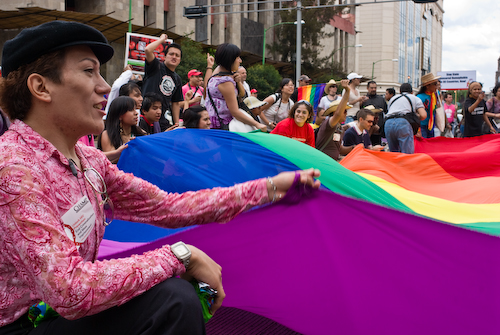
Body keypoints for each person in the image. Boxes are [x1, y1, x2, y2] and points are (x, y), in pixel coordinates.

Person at [0, 21, 321, 334]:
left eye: (100, 72)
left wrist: (270, 187)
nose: (104, 86)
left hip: (59, 315)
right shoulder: (15, 168)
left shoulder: (88, 161)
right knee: (173, 301)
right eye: (88, 71)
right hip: (26, 324)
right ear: (41, 87)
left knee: (172, 294)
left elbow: (171, 207)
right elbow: (70, 290)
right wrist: (180, 255)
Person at [205, 43, 265, 132]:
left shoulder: (217, 73)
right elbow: (235, 112)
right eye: (238, 58)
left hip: (212, 123)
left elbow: (242, 94)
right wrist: (257, 124)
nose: (240, 61)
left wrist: (238, 82)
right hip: (224, 126)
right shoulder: (226, 81)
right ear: (230, 59)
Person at [142, 34, 184, 130]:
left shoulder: (177, 79)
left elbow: (176, 103)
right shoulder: (156, 66)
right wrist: (161, 40)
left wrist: (176, 124)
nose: (174, 57)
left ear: (180, 60)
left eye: (177, 55)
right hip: (145, 117)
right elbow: (148, 50)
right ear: (164, 56)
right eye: (171, 54)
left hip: (160, 120)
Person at [98, 96, 146, 163]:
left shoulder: (141, 132)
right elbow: (109, 161)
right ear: (119, 115)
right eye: (131, 110)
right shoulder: (107, 134)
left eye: (135, 109)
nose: (136, 113)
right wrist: (130, 148)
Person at [315, 79, 355, 160]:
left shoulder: (340, 128)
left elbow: (338, 149)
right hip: (323, 162)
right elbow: (338, 114)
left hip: (332, 163)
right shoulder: (329, 123)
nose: (346, 113)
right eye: (344, 111)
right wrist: (347, 91)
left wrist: (354, 148)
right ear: (334, 112)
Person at [384, 83, 426, 154]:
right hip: (403, 123)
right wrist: (415, 116)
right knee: (407, 154)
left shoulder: (393, 98)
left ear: (400, 92)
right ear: (412, 92)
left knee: (393, 154)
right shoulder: (415, 98)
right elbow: (423, 115)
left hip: (388, 123)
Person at [361, 81, 388, 145]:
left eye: (375, 88)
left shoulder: (381, 99)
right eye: (372, 88)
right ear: (367, 88)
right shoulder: (363, 100)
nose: (374, 89)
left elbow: (386, 112)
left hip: (378, 130)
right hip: (366, 130)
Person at [417, 73, 442, 138]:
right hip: (422, 126)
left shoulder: (435, 95)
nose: (437, 86)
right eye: (435, 84)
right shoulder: (419, 97)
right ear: (427, 86)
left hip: (431, 126)